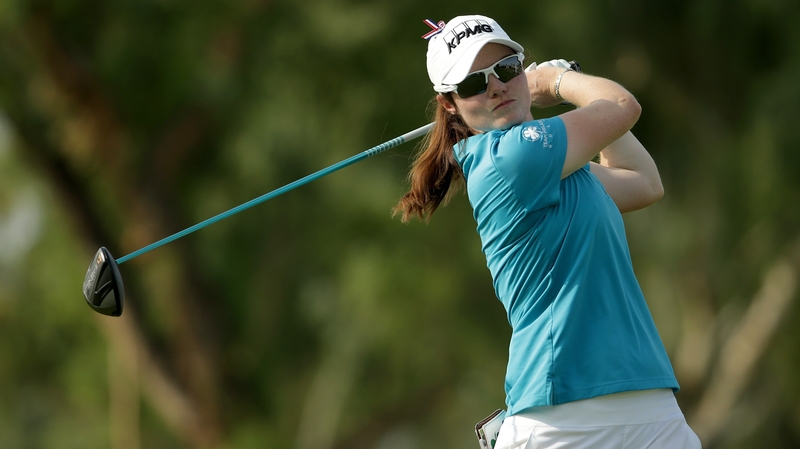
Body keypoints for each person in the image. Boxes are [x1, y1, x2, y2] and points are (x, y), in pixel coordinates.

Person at [394, 15, 701, 449]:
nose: (497, 87)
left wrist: (573, 95)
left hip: (649, 402)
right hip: (562, 415)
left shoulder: (556, 163)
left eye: (506, 70)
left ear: (521, 68)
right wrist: (559, 81)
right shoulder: (506, 160)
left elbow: (643, 182)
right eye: (472, 84)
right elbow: (622, 107)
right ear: (449, 104)